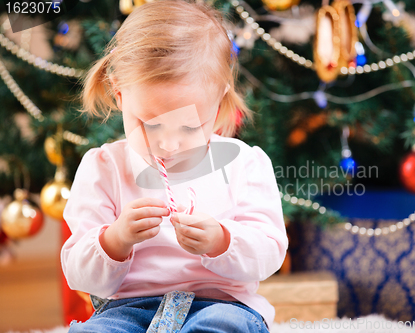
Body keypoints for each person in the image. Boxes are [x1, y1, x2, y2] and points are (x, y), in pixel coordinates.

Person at [60, 0, 288, 332]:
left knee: (226, 326)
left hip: (220, 304)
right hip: (127, 309)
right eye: (149, 124)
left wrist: (221, 241)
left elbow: (268, 254)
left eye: (188, 126)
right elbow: (78, 273)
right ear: (119, 93)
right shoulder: (103, 169)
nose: (167, 144)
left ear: (220, 98)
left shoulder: (244, 165)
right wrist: (116, 239)